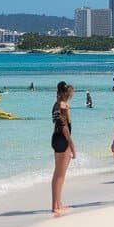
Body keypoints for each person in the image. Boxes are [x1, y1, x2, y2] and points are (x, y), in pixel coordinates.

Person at [50, 82, 77, 215]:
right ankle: (56, 205)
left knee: (57, 174)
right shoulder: (63, 105)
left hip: (56, 138)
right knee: (60, 175)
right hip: (62, 139)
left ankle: (56, 203)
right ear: (68, 93)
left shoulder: (56, 104)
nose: (72, 95)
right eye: (72, 93)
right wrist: (72, 145)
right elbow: (64, 127)